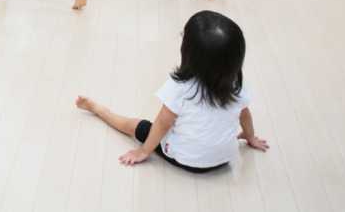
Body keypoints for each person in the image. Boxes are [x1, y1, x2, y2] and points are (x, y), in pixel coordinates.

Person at [76, 10, 268, 172]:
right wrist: (250, 137)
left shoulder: (180, 87)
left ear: (189, 53)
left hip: (187, 160)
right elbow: (245, 114)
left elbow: (162, 124)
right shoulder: (236, 86)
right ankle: (99, 110)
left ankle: (99, 110)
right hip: (225, 158)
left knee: (138, 126)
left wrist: (143, 152)